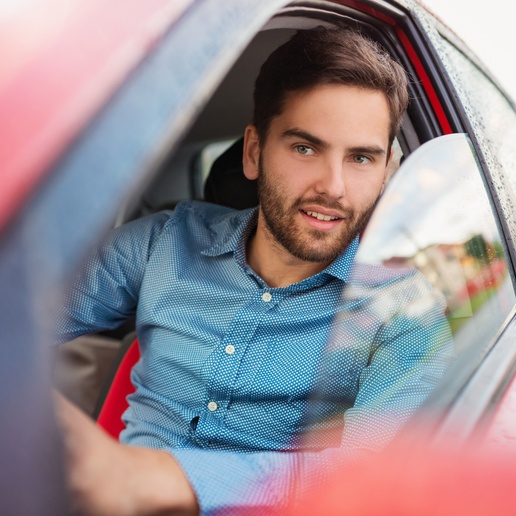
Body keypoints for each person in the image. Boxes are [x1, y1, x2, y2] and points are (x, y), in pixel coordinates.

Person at [54, 26, 452, 515]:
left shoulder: (405, 311)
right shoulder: (163, 242)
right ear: (253, 152)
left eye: (361, 158)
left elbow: (372, 477)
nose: (334, 188)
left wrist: (153, 478)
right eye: (305, 148)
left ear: (388, 172)